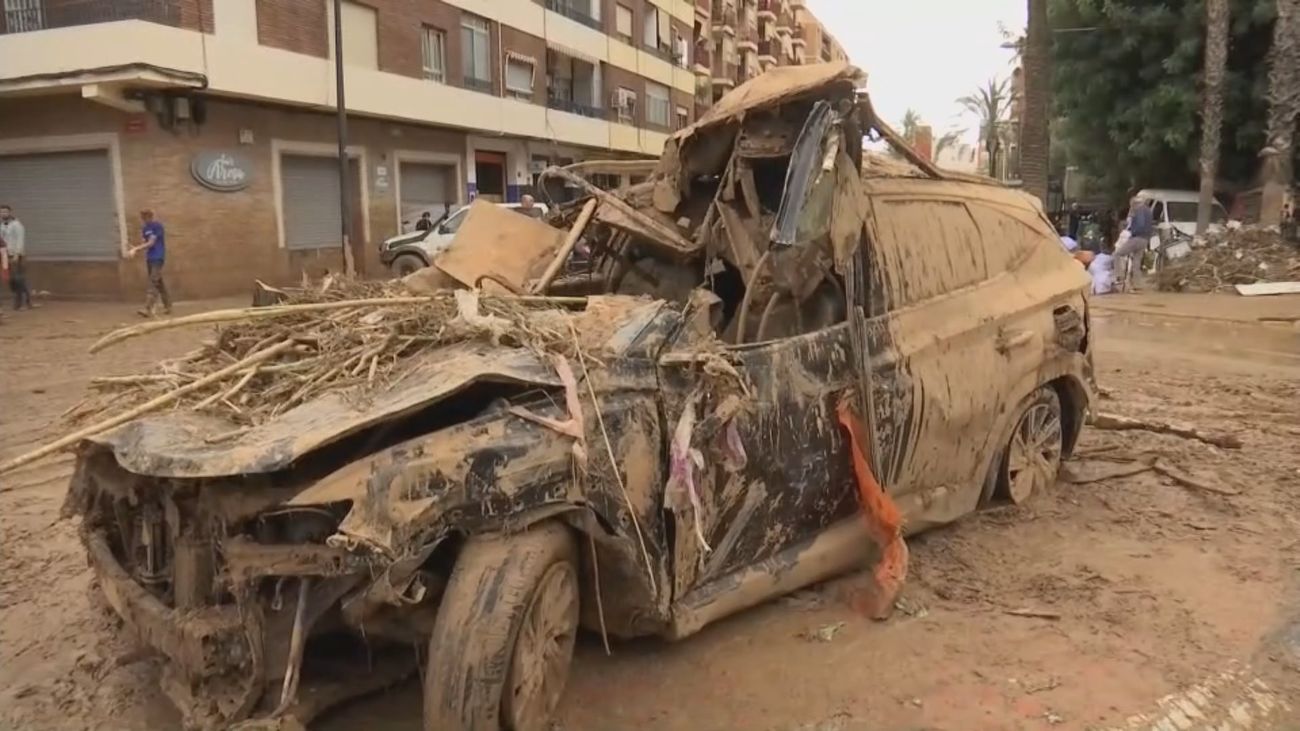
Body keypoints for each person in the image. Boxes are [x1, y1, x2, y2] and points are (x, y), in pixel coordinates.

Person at [127, 208, 172, 317]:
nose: (144, 220)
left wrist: (136, 249)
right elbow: (145, 242)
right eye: (143, 218)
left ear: (150, 216)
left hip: (158, 257)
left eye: (146, 217)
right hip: (150, 258)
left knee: (153, 282)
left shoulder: (157, 226)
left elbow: (151, 243)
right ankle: (168, 305)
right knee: (158, 282)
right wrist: (135, 247)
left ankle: (147, 308)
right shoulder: (145, 228)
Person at [1114, 196, 1153, 291]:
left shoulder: (1139, 210)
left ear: (1135, 203)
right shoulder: (1148, 211)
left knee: (1118, 254)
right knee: (1136, 262)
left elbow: (1140, 224)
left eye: (1132, 205)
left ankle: (1120, 276)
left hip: (1137, 238)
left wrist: (1132, 231)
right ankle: (1137, 284)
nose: (1132, 208)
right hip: (1145, 239)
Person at [1, 205, 31, 311]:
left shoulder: (17, 225)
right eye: (1, 212)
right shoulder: (2, 226)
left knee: (19, 279)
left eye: (5, 212)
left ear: (10, 212)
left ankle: (24, 302)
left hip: (16, 255)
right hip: (5, 255)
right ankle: (18, 300)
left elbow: (20, 240)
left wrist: (17, 254)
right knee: (11, 280)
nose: (3, 214)